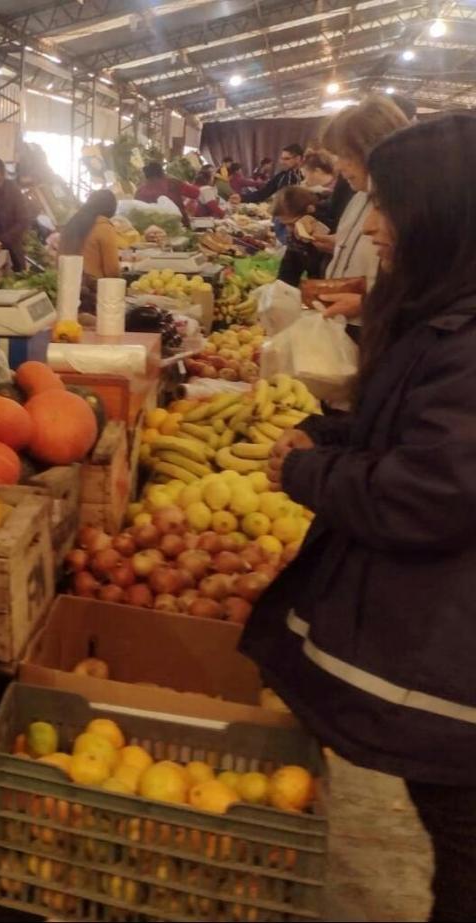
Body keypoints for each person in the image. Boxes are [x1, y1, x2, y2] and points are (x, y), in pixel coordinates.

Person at [246, 112, 476, 923]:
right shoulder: (442, 313)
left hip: (459, 671)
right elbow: (411, 431)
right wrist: (336, 432)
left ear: (442, 214)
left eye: (388, 206)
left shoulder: (467, 338)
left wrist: (314, 469)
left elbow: (431, 490)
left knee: (466, 858)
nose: (371, 223)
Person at [315, 95, 409, 322]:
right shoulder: (358, 196)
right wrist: (337, 243)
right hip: (343, 326)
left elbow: (421, 291)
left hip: (374, 329)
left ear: (375, 150)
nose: (337, 166)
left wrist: (365, 304)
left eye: (346, 156)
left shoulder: (410, 208)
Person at [58, 189, 120, 281]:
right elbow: (112, 271)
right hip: (92, 288)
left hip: (65, 284)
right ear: (112, 208)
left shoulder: (72, 223)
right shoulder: (104, 226)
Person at [271, 186, 326, 286]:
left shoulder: (326, 231)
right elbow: (290, 267)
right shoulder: (295, 237)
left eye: (292, 224)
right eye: (285, 225)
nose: (288, 229)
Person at [135, 162, 192, 227]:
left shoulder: (140, 191)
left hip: (153, 231)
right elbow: (195, 193)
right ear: (162, 172)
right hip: (180, 227)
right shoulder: (173, 183)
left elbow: (138, 212)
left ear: (146, 175)